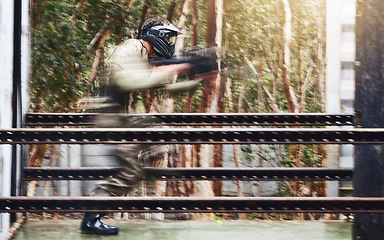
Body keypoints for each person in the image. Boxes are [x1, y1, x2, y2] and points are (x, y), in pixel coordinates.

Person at [80, 17, 208, 235]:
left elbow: (164, 88)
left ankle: (97, 212)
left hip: (115, 118)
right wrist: (180, 66)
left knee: (151, 130)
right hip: (106, 117)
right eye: (168, 37)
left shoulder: (143, 55)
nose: (169, 42)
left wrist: (197, 78)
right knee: (130, 171)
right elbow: (128, 80)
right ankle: (91, 219)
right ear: (156, 34)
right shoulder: (130, 47)